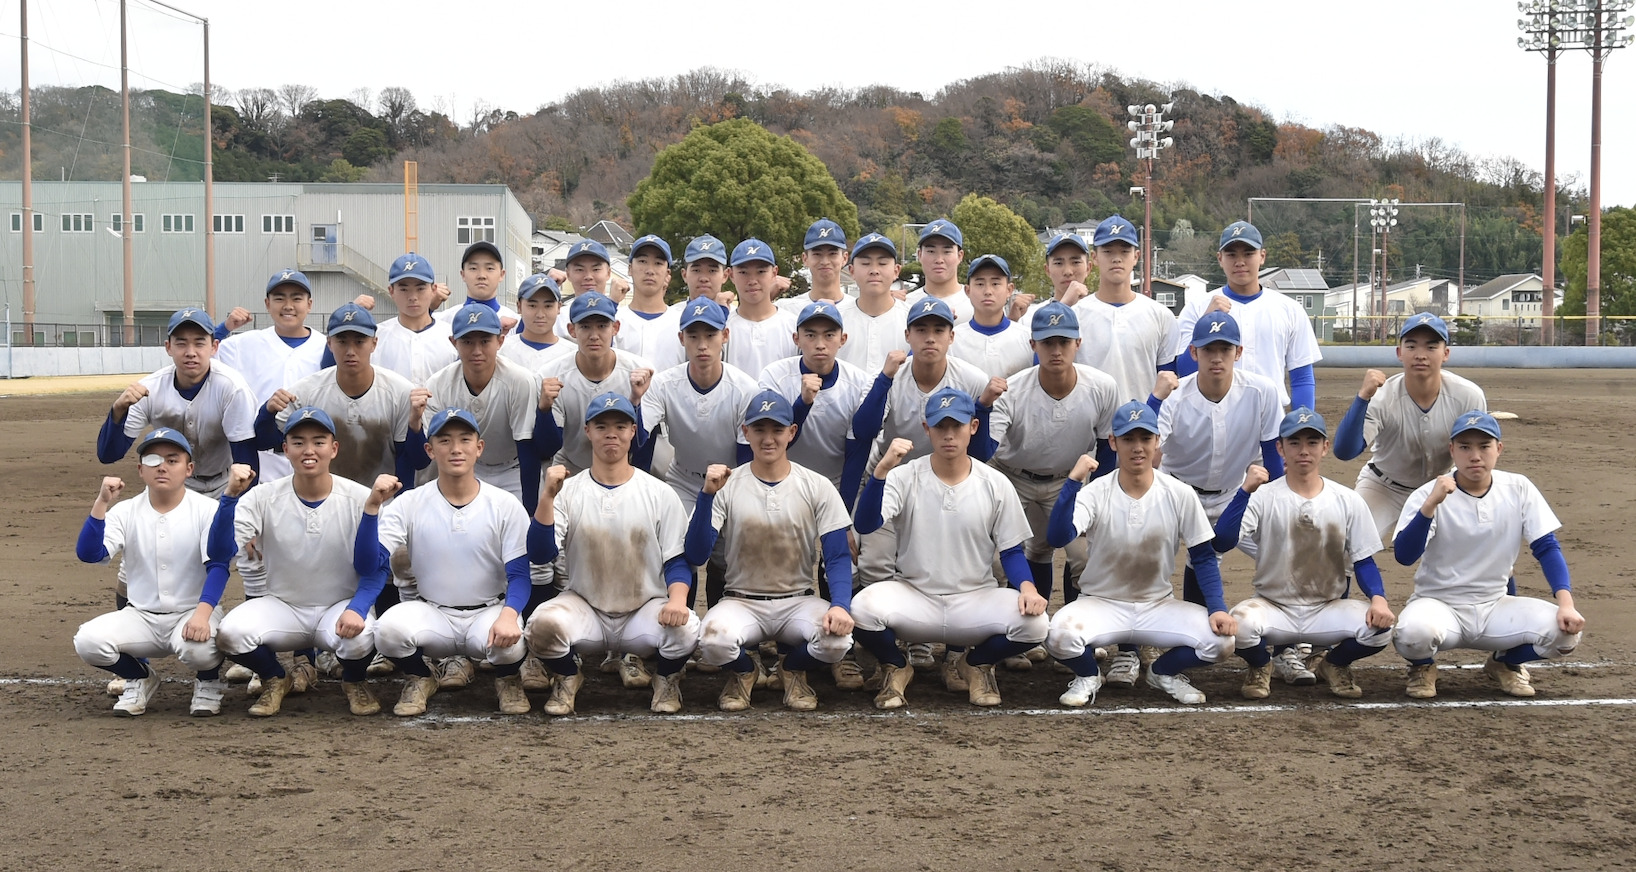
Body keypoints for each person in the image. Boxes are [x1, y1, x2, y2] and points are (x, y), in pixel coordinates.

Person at [849, 388, 1048, 709]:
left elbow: (1011, 551)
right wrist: (880, 472)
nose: (949, 434)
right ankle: (897, 666)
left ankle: (976, 664)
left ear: (973, 427)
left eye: (957, 426)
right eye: (940, 426)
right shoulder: (904, 476)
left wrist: (1027, 587)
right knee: (860, 610)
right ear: (927, 429)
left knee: (1035, 624)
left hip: (975, 599)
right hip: (915, 596)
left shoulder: (995, 483)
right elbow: (867, 524)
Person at [1044, 401, 1237, 706]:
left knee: (1222, 642)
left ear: (1157, 441)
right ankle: (1088, 675)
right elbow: (1057, 537)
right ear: (1113, 442)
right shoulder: (1095, 492)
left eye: (1145, 439)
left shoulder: (1179, 493)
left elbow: (1202, 556)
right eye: (1128, 439)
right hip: (1101, 603)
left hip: (1156, 605)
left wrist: (1217, 608)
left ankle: (1162, 673)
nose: (1138, 448)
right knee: (1057, 635)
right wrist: (1071, 483)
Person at [525, 393, 701, 715]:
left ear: (633, 431)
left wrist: (677, 600)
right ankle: (568, 676)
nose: (611, 433)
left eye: (620, 425)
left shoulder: (659, 492)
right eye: (602, 425)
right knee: (540, 626)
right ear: (587, 431)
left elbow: (676, 560)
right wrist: (547, 497)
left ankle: (665, 678)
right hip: (585, 606)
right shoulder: (569, 491)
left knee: (687, 627)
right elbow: (540, 552)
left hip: (643, 610)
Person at [1391, 411, 1585, 699]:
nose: (1475, 456)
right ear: (1452, 451)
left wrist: (1566, 604)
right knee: (1411, 634)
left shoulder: (1518, 488)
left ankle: (1504, 663)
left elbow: (1546, 547)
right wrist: (1430, 505)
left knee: (1566, 634)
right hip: (1439, 604)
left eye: (1484, 446)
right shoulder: (1427, 495)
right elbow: (1405, 556)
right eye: (1465, 447)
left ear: (1499, 449)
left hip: (1495, 605)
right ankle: (1423, 666)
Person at [686, 391, 855, 711]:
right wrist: (707, 496)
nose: (768, 438)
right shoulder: (726, 485)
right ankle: (746, 673)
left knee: (838, 640)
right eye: (759, 430)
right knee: (711, 641)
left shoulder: (816, 485)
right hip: (742, 600)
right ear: (745, 432)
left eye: (777, 430)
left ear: (792, 432)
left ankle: (791, 669)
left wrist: (841, 606)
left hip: (798, 600)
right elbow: (696, 555)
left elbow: (836, 556)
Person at [211, 408, 386, 717]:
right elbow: (220, 550)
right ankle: (276, 678)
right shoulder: (261, 497)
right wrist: (229, 498)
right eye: (298, 442)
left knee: (362, 638)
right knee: (230, 633)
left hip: (339, 607)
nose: (308, 450)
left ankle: (354, 680)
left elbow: (377, 568)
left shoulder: (361, 498)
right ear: (285, 449)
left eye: (319, 442)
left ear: (334, 449)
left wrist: (357, 609)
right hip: (284, 605)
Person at [1151, 309, 1294, 683]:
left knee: (1287, 551)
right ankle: (1148, 645)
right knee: (1145, 559)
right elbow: (1150, 457)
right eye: (1208, 349)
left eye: (1225, 350)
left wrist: (1282, 507)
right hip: (1179, 492)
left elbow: (1273, 457)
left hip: (1237, 493)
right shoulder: (1175, 396)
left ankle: (1290, 647)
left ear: (1239, 352)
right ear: (1193, 353)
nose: (1217, 357)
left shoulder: (1262, 392)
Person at [1213, 408, 1396, 699]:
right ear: (1280, 448)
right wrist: (1244, 492)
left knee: (1380, 630)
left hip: (1327, 608)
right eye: (1294, 442)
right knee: (1240, 627)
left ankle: (1333, 665)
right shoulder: (1263, 496)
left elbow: (1363, 559)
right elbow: (1222, 541)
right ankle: (1262, 665)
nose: (1303, 450)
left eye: (1312, 442)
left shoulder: (1347, 500)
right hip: (1273, 607)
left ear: (1324, 447)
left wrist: (1379, 599)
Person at [368, 408, 534, 717]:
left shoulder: (504, 503)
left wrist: (509, 615)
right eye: (444, 440)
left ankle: (507, 679)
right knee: (387, 631)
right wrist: (372, 509)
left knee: (509, 645)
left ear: (479, 447)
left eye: (464, 439)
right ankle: (421, 676)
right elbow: (370, 561)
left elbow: (520, 575)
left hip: (488, 611)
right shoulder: (409, 502)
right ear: (429, 450)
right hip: (433, 612)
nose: (455, 449)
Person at [72, 429, 231, 716]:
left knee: (200, 650)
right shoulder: (125, 511)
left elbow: (218, 567)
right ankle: (139, 677)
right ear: (140, 469)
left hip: (191, 613)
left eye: (172, 460)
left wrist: (203, 614)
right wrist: (102, 503)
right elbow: (89, 554)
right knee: (88, 641)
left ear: (189, 469)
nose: (162, 466)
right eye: (153, 459)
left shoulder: (208, 510)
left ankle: (208, 681)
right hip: (141, 616)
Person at [986, 302, 1119, 608]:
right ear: (1034, 345)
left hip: (1066, 479)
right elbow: (984, 451)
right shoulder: (1013, 389)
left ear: (1078, 344)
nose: (1056, 350)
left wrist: (1099, 498)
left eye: (1063, 341)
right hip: (1012, 476)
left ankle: (1077, 628)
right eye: (1047, 342)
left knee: (1084, 557)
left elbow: (1105, 449)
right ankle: (1021, 632)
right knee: (999, 559)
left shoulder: (1101, 386)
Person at [638, 298, 758, 609]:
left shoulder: (744, 388)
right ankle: (683, 626)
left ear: (725, 336)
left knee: (724, 556)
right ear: (681, 339)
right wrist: (635, 401)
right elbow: (638, 437)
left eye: (710, 335)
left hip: (731, 478)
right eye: (693, 336)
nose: (702, 344)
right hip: (684, 476)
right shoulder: (664, 383)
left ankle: (720, 623)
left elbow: (748, 455)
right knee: (677, 551)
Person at [1335, 313, 1487, 540]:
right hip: (1383, 487)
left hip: (1443, 487)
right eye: (1412, 345)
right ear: (1399, 353)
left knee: (1477, 544)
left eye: (1431, 347)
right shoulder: (1382, 397)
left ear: (1445, 353)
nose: (1420, 355)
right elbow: (1344, 451)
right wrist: (1362, 398)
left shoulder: (1468, 396)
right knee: (1347, 545)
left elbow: (1479, 453)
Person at [257, 303, 426, 488]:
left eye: (359, 341)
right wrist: (267, 413)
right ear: (329, 343)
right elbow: (265, 441)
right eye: (342, 341)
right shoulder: (306, 391)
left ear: (374, 343)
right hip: (323, 502)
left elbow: (414, 461)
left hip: (383, 501)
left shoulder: (400, 391)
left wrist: (395, 508)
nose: (350, 351)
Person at [97, 307, 259, 497]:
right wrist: (118, 412)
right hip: (170, 484)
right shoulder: (149, 389)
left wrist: (240, 505)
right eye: (181, 344)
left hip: (223, 483)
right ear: (168, 347)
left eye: (199, 343)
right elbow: (108, 455)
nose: (190, 352)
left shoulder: (232, 388)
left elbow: (245, 458)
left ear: (214, 347)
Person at [1173, 221, 1321, 410]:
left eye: (1248, 253)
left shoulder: (1289, 309)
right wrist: (1205, 323)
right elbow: (1184, 372)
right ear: (1220, 258)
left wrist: (1302, 423)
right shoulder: (1198, 307)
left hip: (1272, 414)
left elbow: (1302, 377)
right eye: (1231, 254)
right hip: (1210, 414)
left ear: (1262, 256)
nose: (1240, 261)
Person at [424, 303, 551, 508]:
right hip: (468, 467)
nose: (477, 351)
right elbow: (433, 447)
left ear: (500, 341)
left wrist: (529, 510)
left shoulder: (520, 380)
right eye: (467, 341)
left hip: (513, 467)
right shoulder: (438, 384)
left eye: (485, 341)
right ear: (454, 342)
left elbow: (526, 446)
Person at [214, 269, 331, 480]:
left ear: (309, 304)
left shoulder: (327, 347)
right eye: (279, 298)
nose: (288, 306)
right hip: (263, 458)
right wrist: (224, 328)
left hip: (313, 456)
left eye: (297, 298)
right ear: (267, 304)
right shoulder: (243, 344)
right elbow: (195, 356)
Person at [758, 301, 875, 501]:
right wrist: (802, 404)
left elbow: (856, 454)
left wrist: (843, 515)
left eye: (829, 335)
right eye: (811, 335)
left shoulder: (860, 382)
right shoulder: (774, 375)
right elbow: (774, 441)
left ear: (842, 339)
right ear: (796, 339)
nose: (820, 344)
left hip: (837, 482)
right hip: (785, 480)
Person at [1057, 217, 1180, 404]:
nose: (1116, 258)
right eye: (1107, 251)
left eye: (1124, 251)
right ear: (1095, 257)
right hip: (1088, 427)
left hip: (1141, 428)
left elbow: (1168, 380)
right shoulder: (1075, 314)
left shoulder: (1161, 315)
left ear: (1136, 256)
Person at [537, 291, 656, 476]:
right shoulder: (552, 375)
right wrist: (544, 410)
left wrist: (635, 402)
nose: (594, 335)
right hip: (572, 466)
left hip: (624, 467)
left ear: (615, 327)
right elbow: (547, 448)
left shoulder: (639, 370)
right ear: (572, 330)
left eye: (602, 326)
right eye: (585, 326)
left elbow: (642, 445)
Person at [374, 253, 457, 385]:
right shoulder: (376, 337)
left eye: (420, 288)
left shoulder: (452, 336)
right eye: (404, 289)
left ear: (433, 289)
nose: (412, 296)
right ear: (391, 291)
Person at [723, 238, 798, 379]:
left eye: (761, 272)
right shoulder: (722, 328)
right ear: (731, 275)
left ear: (774, 273)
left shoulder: (794, 326)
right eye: (744, 272)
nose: (752, 280)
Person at [837, 232, 911, 373]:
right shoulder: (836, 318)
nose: (874, 271)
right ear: (851, 271)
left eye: (882, 263)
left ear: (896, 271)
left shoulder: (912, 319)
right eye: (865, 263)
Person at [951, 255, 1033, 379]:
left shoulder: (1029, 339)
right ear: (967, 290)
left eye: (995, 283)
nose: (988, 291)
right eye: (979, 284)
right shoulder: (951, 341)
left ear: (1009, 289)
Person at [615, 235, 685, 370]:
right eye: (642, 261)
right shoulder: (614, 320)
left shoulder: (682, 322)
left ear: (668, 274)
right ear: (629, 269)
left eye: (658, 263)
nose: (650, 270)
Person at [777, 219, 855, 315]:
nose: (825, 262)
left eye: (832, 254)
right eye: (817, 254)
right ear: (805, 259)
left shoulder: (858, 310)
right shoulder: (786, 310)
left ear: (844, 258)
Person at [500, 273, 576, 372]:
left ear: (558, 307)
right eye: (532, 306)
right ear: (519, 307)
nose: (540, 314)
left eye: (548, 306)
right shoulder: (502, 351)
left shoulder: (573, 354)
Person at [436, 240, 519, 329]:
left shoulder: (516, 324)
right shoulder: (443, 321)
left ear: (501, 274)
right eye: (473, 268)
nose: (481, 275)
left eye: (490, 268)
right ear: (463, 274)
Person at [904, 221, 974, 326]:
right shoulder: (905, 306)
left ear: (960, 256)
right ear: (919, 255)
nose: (939, 260)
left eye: (947, 252)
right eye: (931, 251)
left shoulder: (976, 304)